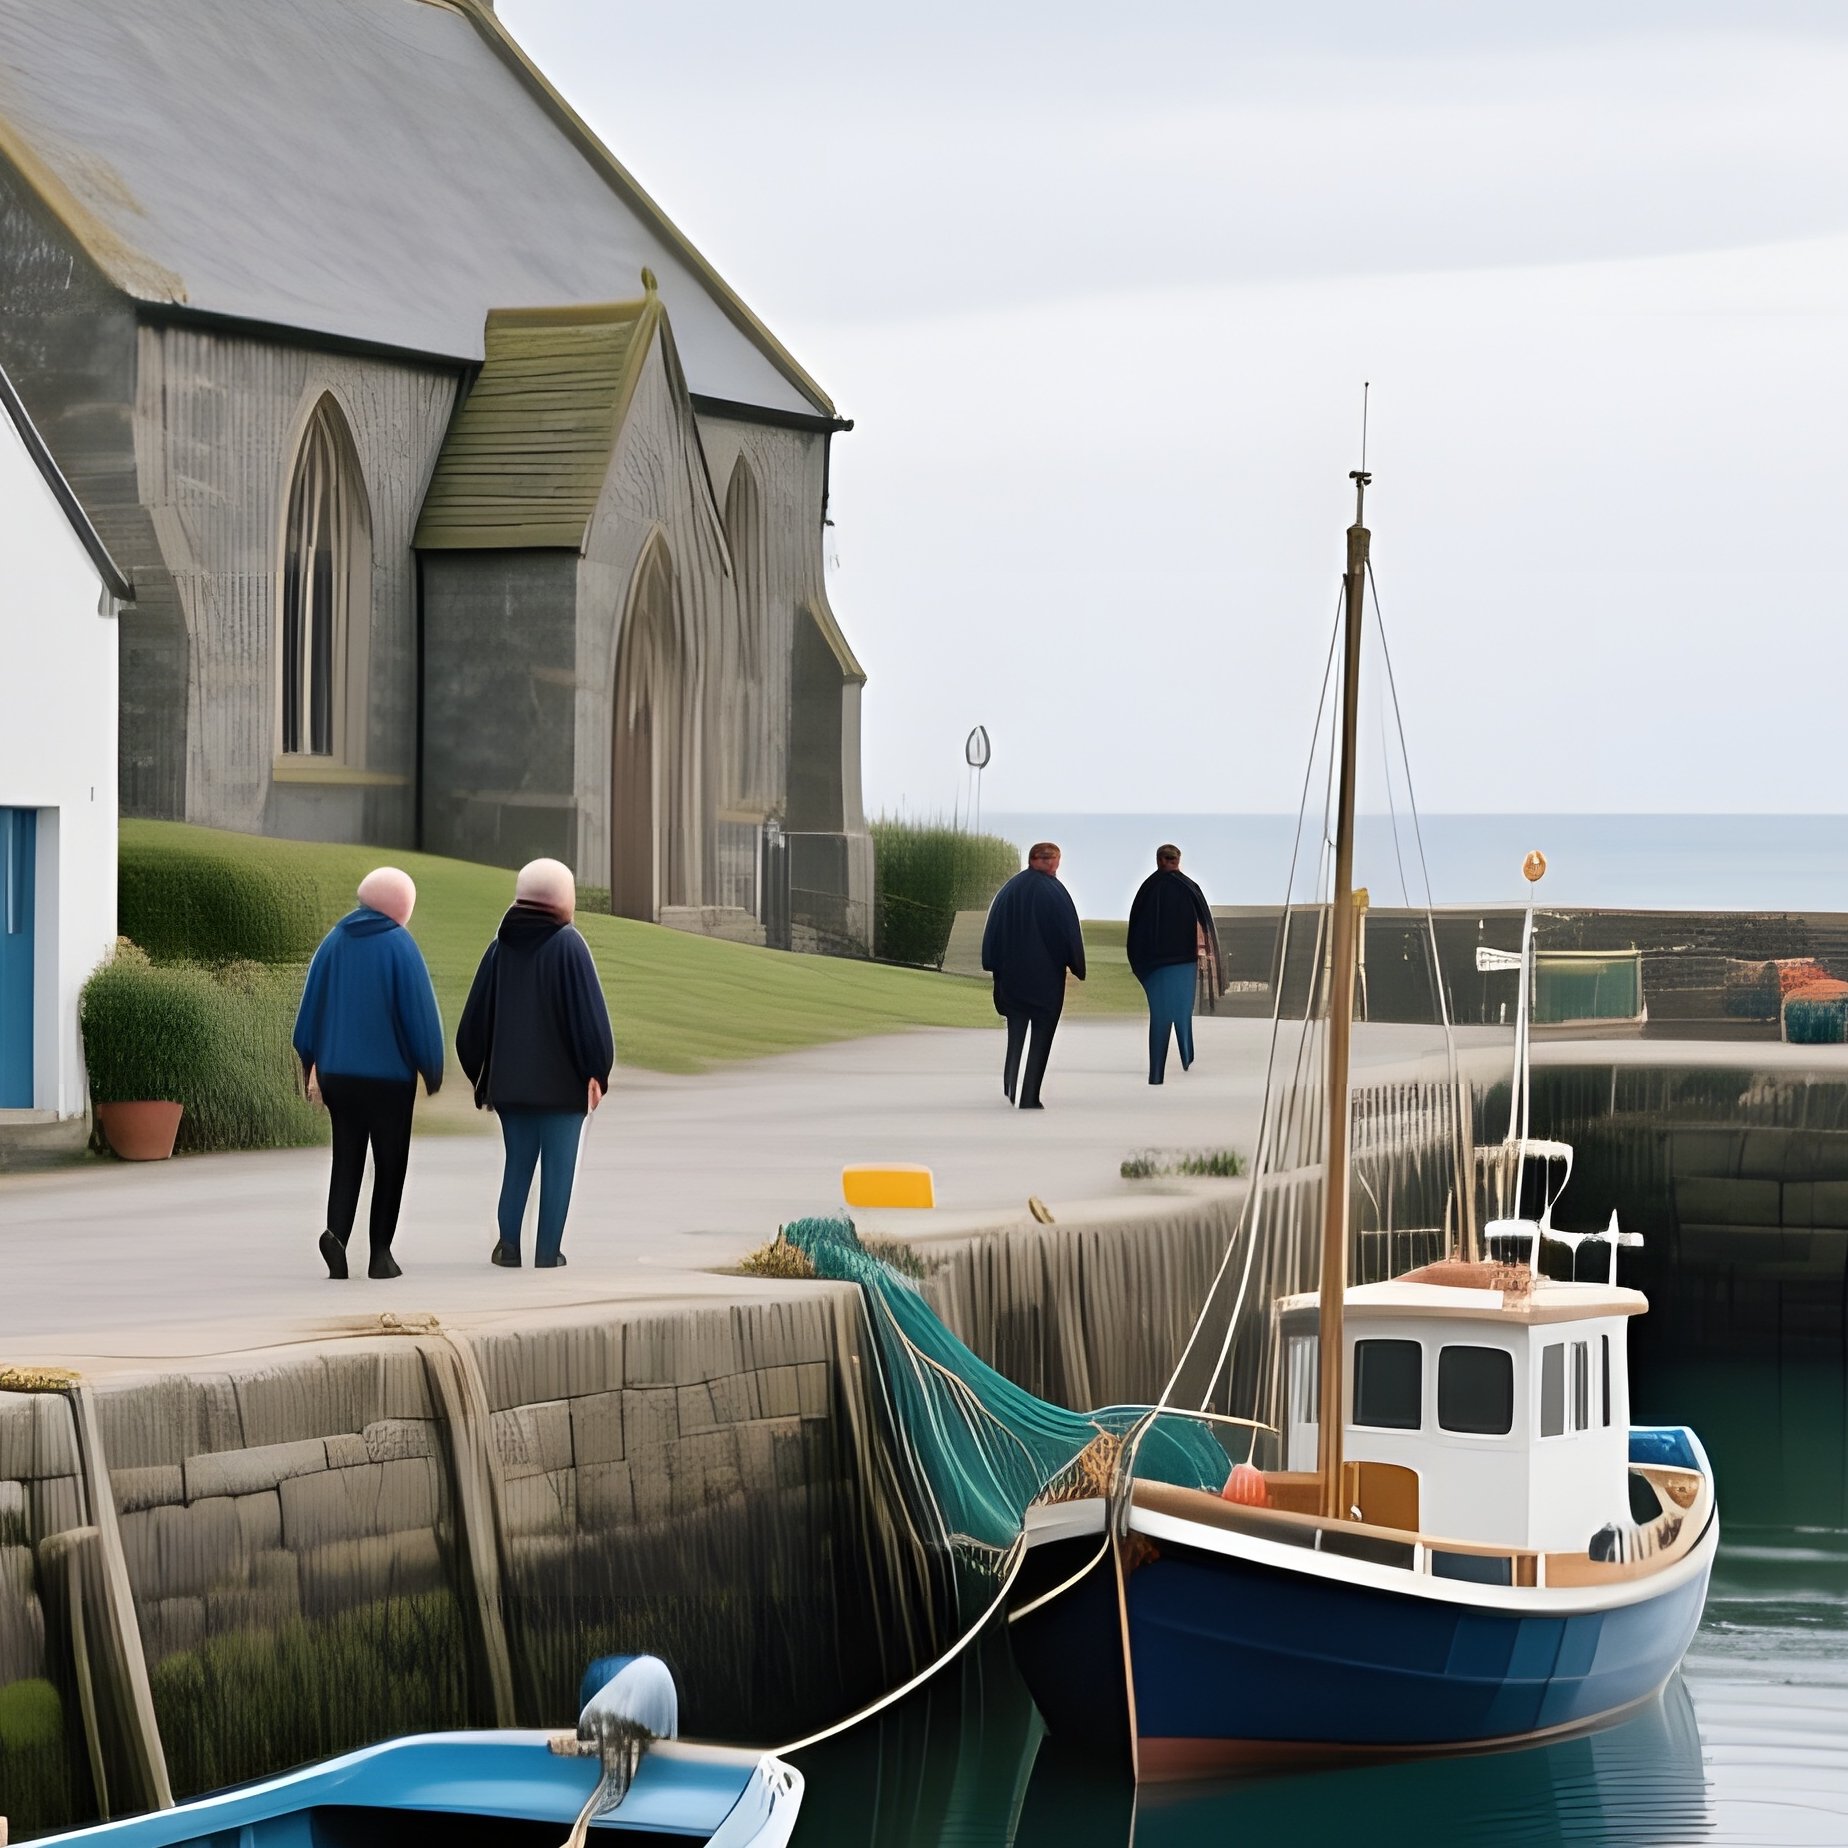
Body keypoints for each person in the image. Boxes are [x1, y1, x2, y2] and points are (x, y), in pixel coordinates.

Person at [456, 858, 614, 1269]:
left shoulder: (498, 950)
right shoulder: (569, 945)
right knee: (558, 1172)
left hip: (510, 1089)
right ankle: (548, 1253)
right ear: (561, 898)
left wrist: (482, 1077)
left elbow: (470, 1028)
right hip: (563, 1090)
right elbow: (590, 1020)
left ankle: (508, 1246)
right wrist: (598, 1070)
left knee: (518, 1165)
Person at [293, 867, 445, 1280]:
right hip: (389, 1080)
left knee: (347, 1157)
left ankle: (336, 1235)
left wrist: (310, 1061)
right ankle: (381, 1255)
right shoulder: (400, 946)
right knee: (390, 1162)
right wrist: (431, 1066)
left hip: (339, 1077)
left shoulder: (333, 942)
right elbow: (421, 1016)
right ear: (401, 906)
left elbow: (308, 1015)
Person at [981, 841, 1085, 1109]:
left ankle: (1010, 1084)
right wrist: (1076, 965)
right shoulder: (1055, 892)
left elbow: (992, 931)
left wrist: (993, 964)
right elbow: (1068, 933)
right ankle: (1029, 1096)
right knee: (1041, 1035)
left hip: (1011, 978)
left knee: (1015, 1031)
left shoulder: (1009, 890)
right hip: (1045, 981)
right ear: (1049, 861)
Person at [1126, 843, 1222, 1084]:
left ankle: (1157, 1072)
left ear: (1159, 860)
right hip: (1184, 961)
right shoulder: (1190, 888)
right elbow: (1204, 926)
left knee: (1160, 1015)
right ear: (1177, 860)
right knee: (1182, 1010)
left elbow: (1136, 929)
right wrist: (1204, 955)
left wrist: (1140, 963)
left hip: (1155, 964)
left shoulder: (1148, 888)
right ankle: (1186, 1056)